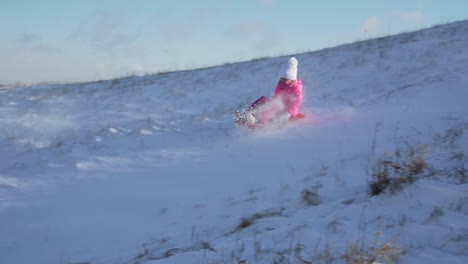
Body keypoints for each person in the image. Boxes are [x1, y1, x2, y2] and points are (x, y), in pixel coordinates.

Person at [242, 56, 304, 127]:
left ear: (291, 78)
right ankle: (248, 115)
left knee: (273, 109)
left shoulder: (297, 88)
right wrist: (270, 106)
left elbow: (296, 104)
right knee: (264, 99)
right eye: (281, 78)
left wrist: (287, 114)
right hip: (279, 107)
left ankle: (261, 123)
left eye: (285, 79)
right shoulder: (281, 84)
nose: (282, 81)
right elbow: (276, 98)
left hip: (287, 112)